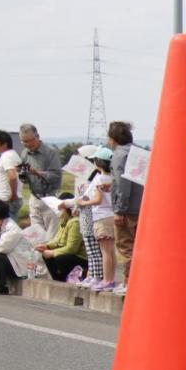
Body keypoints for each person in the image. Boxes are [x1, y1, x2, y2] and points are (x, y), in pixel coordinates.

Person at [0, 199, 45, 293]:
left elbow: (2, 247)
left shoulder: (13, 229)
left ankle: (1, 286)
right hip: (9, 259)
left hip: (18, 265)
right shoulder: (0, 225)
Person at [109, 121, 140, 296]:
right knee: (139, 247)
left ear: (113, 139)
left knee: (126, 247)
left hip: (127, 209)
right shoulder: (140, 152)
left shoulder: (119, 155)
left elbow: (122, 182)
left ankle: (129, 282)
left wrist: (119, 209)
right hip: (142, 206)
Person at [79, 146, 116, 291]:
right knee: (111, 251)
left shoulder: (99, 178)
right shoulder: (113, 178)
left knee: (105, 252)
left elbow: (98, 200)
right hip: (112, 215)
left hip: (101, 216)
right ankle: (111, 279)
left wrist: (83, 202)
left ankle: (107, 281)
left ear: (98, 163)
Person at [17, 123, 63, 240]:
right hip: (34, 198)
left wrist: (36, 173)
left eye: (29, 141)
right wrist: (22, 174)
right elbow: (26, 180)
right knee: (36, 236)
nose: (27, 144)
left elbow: (56, 175)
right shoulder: (24, 153)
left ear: (37, 137)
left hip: (50, 197)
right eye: (23, 141)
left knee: (52, 236)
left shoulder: (50, 152)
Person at [69, 144, 103, 287]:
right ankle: (92, 274)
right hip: (83, 212)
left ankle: (97, 276)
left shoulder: (96, 177)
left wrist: (79, 203)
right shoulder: (81, 175)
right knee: (89, 247)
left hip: (91, 213)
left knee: (94, 248)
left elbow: (89, 196)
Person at [35, 193, 88, 281]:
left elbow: (72, 249)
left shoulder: (75, 222)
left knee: (60, 258)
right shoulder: (65, 221)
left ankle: (73, 278)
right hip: (71, 255)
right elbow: (57, 240)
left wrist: (53, 252)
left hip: (81, 258)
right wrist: (47, 246)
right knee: (46, 255)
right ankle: (59, 280)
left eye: (60, 208)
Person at [0, 130, 24, 220]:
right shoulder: (11, 155)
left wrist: (13, 195)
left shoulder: (7, 156)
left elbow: (12, 176)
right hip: (8, 199)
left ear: (4, 144)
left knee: (8, 228)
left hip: (7, 200)